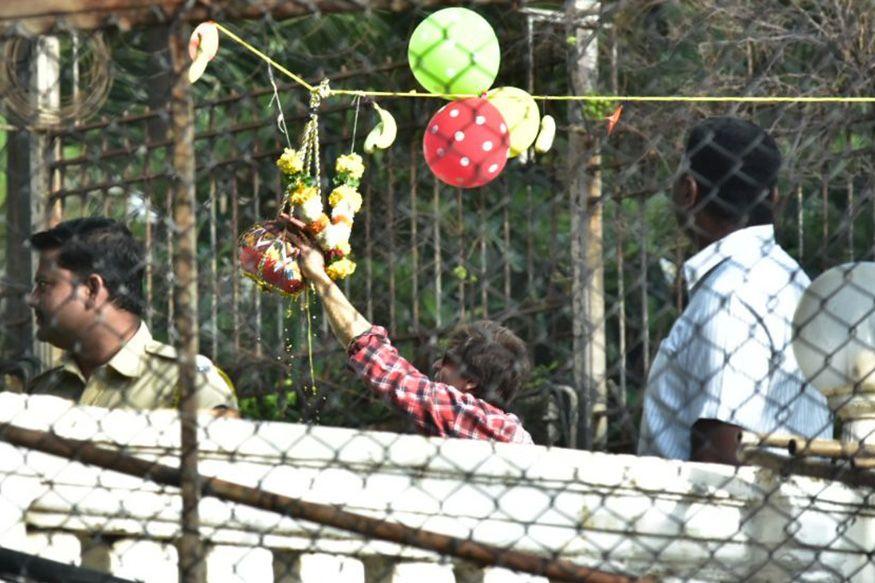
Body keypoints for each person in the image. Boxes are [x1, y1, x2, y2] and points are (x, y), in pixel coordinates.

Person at [637, 116, 831, 464]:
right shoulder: (791, 279)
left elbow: (720, 462)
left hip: (723, 514)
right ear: (774, 198)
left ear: (687, 190)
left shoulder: (729, 295)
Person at [286, 227, 533, 444]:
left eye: (447, 359)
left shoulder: (484, 423)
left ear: (470, 380)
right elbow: (405, 376)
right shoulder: (494, 428)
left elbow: (382, 363)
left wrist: (318, 275)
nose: (437, 364)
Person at [25, 217, 239, 416]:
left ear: (92, 289)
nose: (32, 299)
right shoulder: (43, 389)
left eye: (44, 285)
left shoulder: (189, 383)